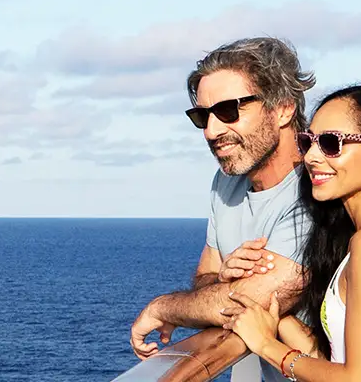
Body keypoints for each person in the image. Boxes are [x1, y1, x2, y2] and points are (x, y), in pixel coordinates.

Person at [220, 84, 361, 381]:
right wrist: (276, 319)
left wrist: (267, 347)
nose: (311, 157)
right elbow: (357, 361)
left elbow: (360, 379)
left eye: (331, 143)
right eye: (308, 142)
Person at [128, 36, 314, 382]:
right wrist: (224, 279)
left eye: (229, 111)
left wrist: (162, 307)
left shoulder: (317, 188)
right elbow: (206, 279)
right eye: (202, 116)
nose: (212, 131)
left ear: (283, 109)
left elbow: (253, 299)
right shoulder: (226, 181)